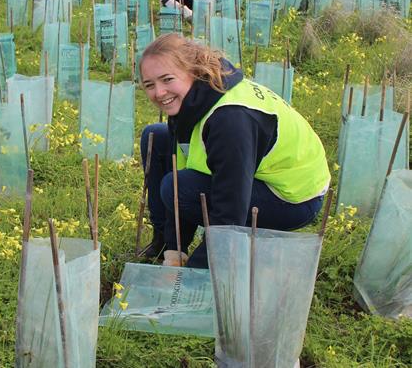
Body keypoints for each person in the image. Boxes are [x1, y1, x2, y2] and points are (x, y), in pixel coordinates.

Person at [138, 34, 330, 267]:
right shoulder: (195, 98)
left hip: (294, 198)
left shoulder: (230, 120)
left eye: (167, 79)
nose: (159, 93)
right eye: (149, 85)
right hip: (251, 179)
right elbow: (182, 163)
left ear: (193, 71)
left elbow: (229, 215)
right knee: (155, 137)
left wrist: (191, 274)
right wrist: (174, 249)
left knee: (176, 187)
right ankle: (164, 246)